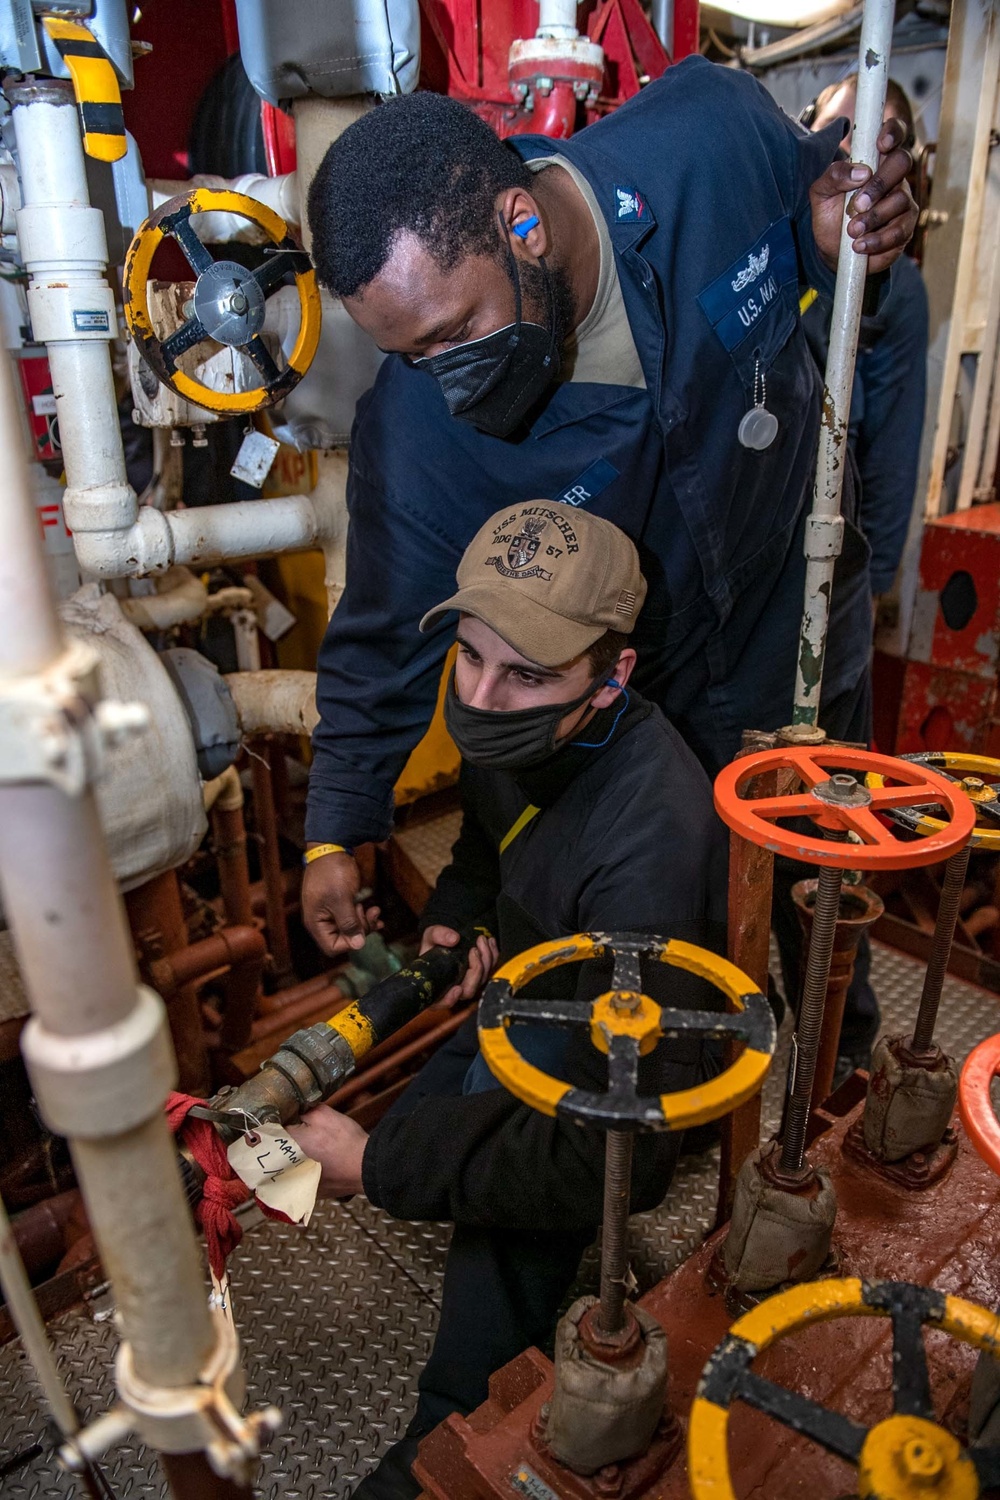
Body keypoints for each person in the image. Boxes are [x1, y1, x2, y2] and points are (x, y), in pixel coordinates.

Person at [299, 58, 918, 971]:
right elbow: (384, 627)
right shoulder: (415, 431)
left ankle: (842, 1051)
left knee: (826, 899)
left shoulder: (710, 140)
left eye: (457, 332)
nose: (445, 379)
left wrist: (846, 245)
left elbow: (831, 216)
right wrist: (336, 828)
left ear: (524, 226)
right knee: (684, 939)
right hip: (644, 688)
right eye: (411, 354)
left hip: (800, 600)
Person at [289, 501, 728, 1500]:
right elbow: (488, 849)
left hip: (604, 1086)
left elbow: (615, 1158)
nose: (481, 699)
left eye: (526, 674)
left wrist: (374, 1164)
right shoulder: (524, 735)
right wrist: (455, 919)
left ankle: (439, 1453)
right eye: (470, 657)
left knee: (466, 1243)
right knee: (425, 1130)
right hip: (536, 995)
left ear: (612, 677)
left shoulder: (649, 853)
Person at [801, 73, 929, 600]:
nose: (850, 154)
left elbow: (893, 449)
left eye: (873, 141)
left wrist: (871, 590)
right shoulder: (763, 236)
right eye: (838, 129)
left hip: (822, 529)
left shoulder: (898, 292)